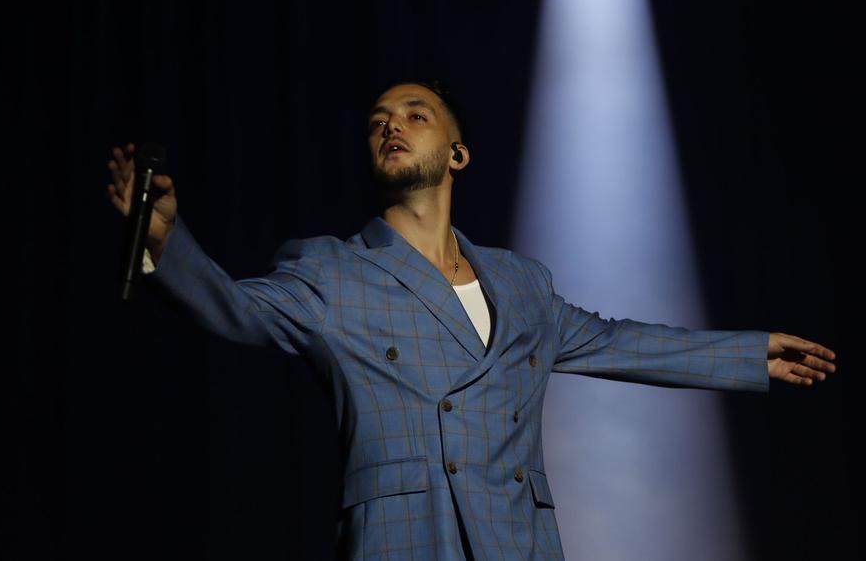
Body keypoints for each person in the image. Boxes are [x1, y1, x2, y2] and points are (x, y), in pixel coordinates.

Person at [104, 81, 837, 560]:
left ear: (456, 152)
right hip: (402, 542)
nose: (392, 127)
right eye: (378, 123)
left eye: (414, 116)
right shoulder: (334, 269)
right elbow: (237, 309)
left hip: (518, 544)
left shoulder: (522, 284)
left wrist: (748, 353)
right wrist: (164, 235)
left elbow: (616, 340)